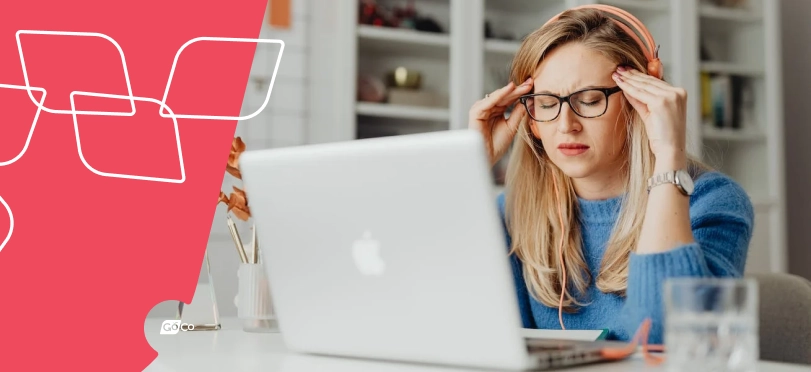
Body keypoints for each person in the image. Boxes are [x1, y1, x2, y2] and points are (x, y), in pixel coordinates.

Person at [468, 5, 754, 345]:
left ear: (640, 101)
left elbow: (666, 340)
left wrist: (668, 159)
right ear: (530, 118)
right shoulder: (512, 212)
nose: (565, 125)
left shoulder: (712, 202)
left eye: (589, 101)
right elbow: (473, 331)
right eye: (546, 104)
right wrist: (470, 168)